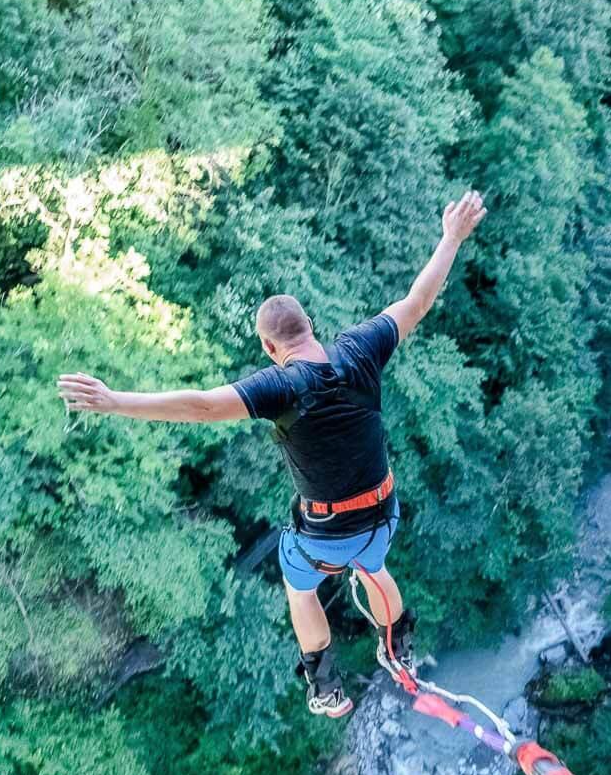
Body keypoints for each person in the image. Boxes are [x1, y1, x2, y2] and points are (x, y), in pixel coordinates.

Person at [57, 191, 487, 717]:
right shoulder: (359, 348)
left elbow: (202, 407)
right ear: (310, 328)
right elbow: (417, 301)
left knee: (299, 586)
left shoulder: (281, 387)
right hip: (382, 514)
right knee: (372, 565)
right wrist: (450, 238)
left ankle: (324, 685)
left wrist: (115, 401)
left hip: (325, 535)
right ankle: (398, 648)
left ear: (269, 347)